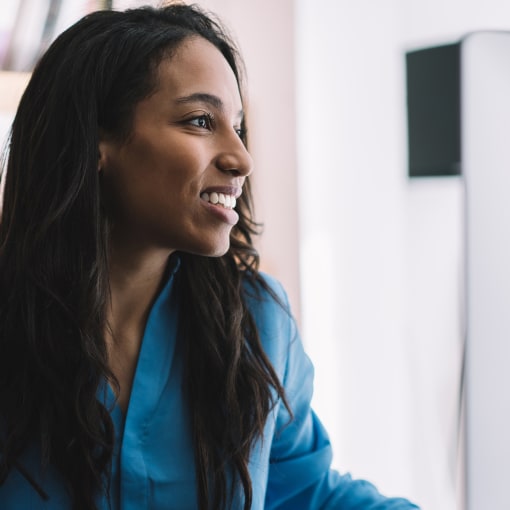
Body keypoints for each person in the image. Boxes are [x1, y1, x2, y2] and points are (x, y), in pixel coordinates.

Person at [0, 3, 420, 510]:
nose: (241, 158)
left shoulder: (259, 322)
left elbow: (307, 494)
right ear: (96, 144)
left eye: (238, 127)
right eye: (200, 120)